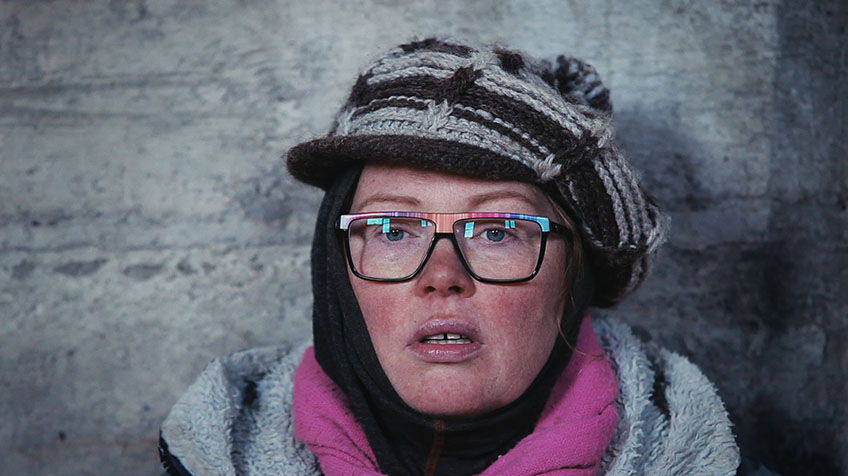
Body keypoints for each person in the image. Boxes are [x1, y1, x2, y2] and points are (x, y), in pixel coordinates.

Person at [159, 38, 744, 475]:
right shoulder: (218, 453)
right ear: (334, 266)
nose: (443, 276)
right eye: (392, 230)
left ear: (575, 277)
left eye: (498, 231)